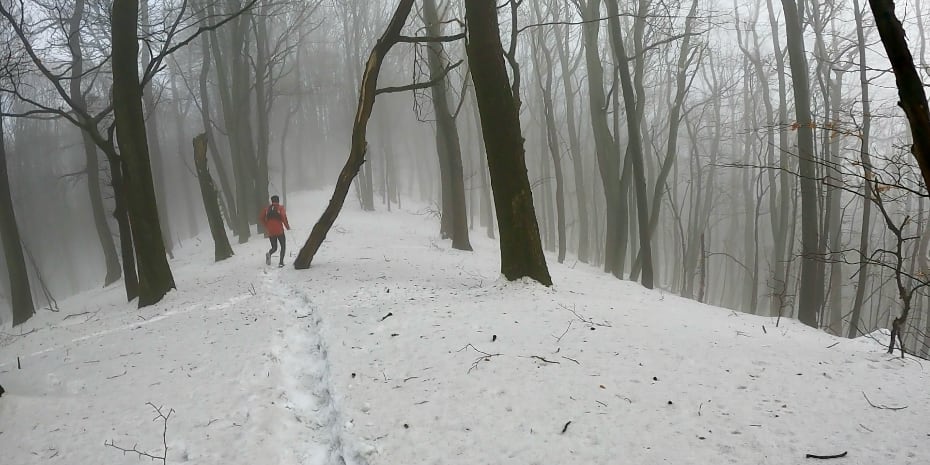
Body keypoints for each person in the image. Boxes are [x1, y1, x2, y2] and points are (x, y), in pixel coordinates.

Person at [259, 195, 290, 267]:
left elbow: (261, 217)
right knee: (283, 246)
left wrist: (266, 225)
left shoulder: (266, 209)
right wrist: (287, 227)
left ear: (272, 201)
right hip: (279, 231)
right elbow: (283, 217)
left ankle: (269, 254)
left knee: (274, 247)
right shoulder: (280, 208)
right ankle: (281, 262)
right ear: (278, 201)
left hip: (271, 231)